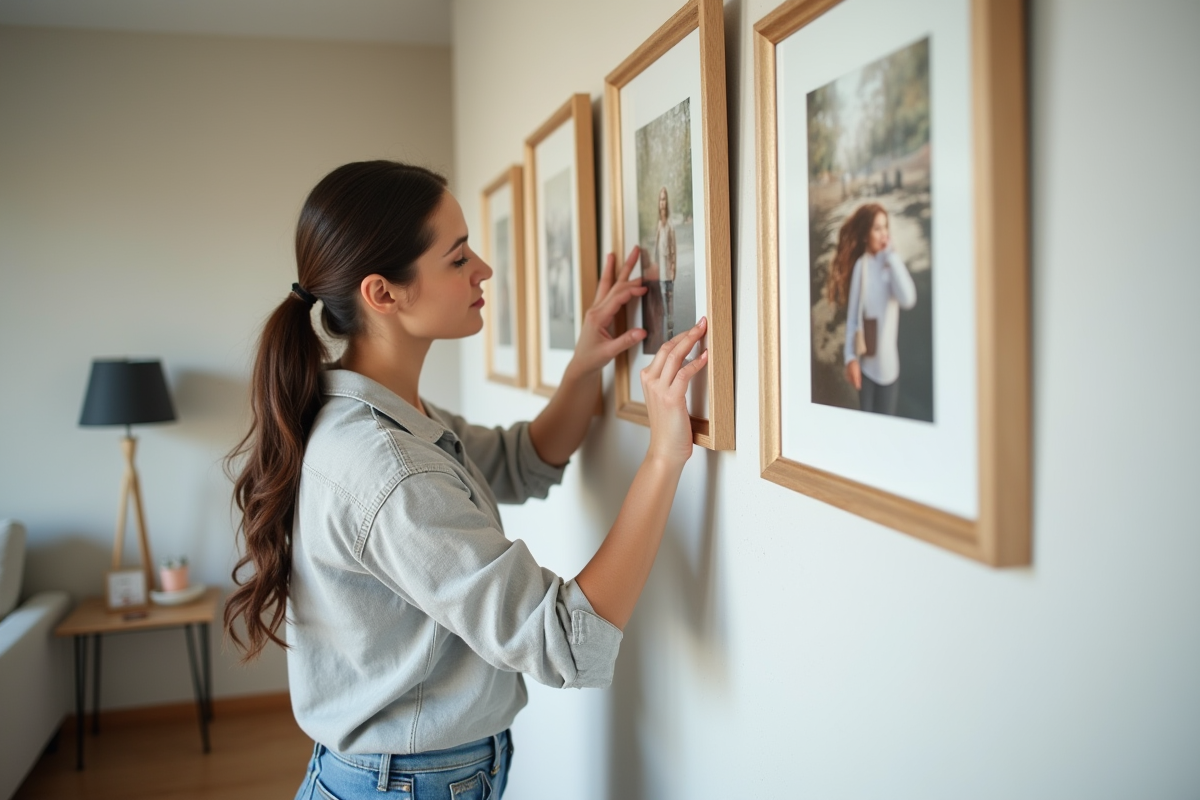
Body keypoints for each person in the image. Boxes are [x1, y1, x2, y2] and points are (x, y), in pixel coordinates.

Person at [223, 161, 708, 800]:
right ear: (383, 293)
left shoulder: (378, 414)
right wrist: (663, 458)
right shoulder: (387, 466)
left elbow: (519, 460)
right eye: (457, 260)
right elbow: (566, 639)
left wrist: (586, 361)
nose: (482, 268)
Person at [826, 203, 917, 416]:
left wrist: (892, 257)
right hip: (865, 370)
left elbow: (908, 299)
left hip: (888, 372)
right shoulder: (862, 266)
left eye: (885, 227)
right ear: (866, 234)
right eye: (877, 228)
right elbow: (853, 319)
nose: (883, 233)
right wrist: (850, 358)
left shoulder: (891, 267)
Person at [654, 186, 678, 341]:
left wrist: (674, 264)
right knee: (662, 305)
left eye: (664, 199)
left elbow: (673, 246)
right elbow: (656, 246)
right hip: (660, 272)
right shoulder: (659, 224)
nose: (662, 202)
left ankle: (670, 334)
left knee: (669, 303)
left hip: (668, 271)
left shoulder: (669, 224)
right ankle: (665, 335)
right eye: (660, 199)